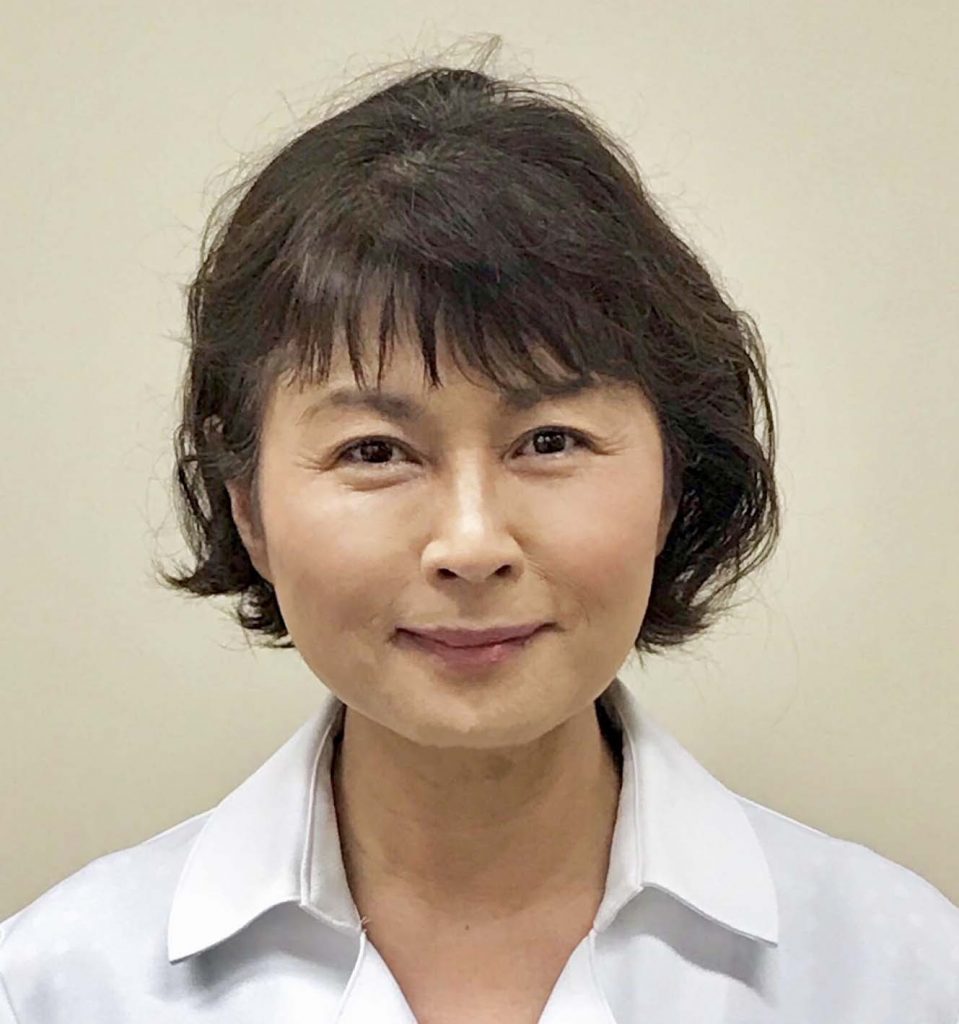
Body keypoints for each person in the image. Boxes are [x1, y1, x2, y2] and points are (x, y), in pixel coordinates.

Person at [2, 40, 957, 1024]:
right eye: (374, 451)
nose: (469, 544)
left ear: (675, 482)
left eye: (548, 441)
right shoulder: (60, 988)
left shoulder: (898, 976)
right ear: (246, 505)